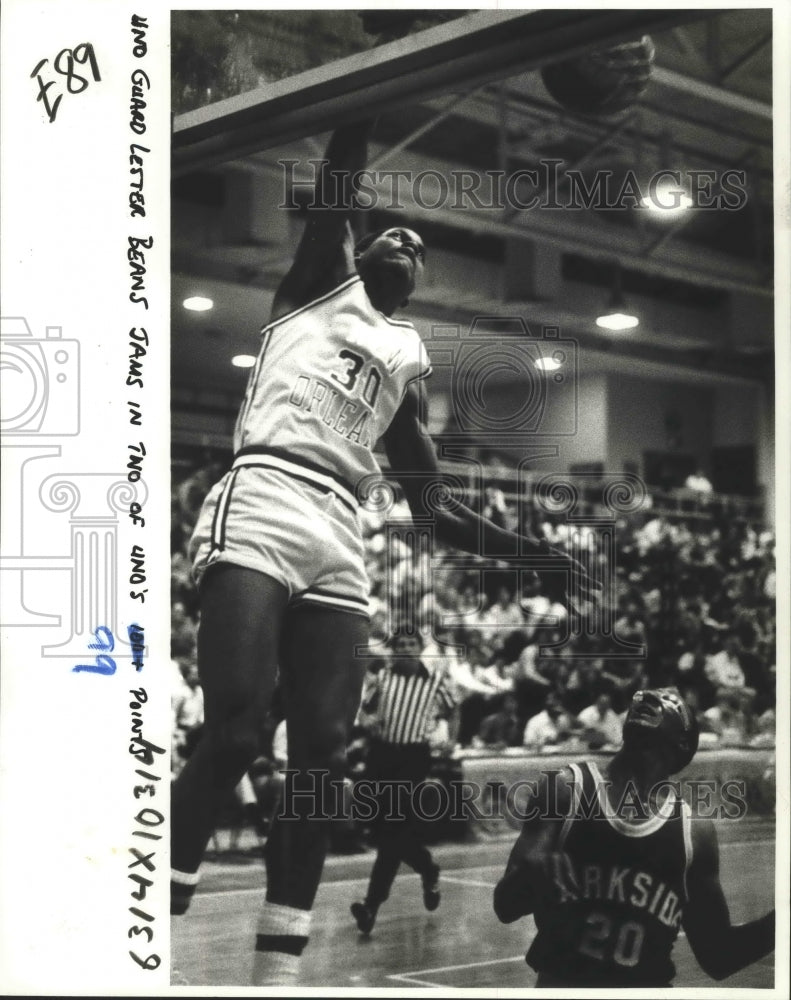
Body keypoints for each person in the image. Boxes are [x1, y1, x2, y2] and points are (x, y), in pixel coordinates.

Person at [170, 118, 597, 986]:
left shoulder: (404, 358)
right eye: (391, 230)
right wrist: (371, 91)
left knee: (322, 752)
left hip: (339, 528)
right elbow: (341, 172)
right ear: (358, 247)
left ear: (418, 284)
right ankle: (153, 897)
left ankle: (277, 967)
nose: (408, 238)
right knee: (239, 723)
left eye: (422, 244)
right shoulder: (318, 282)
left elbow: (431, 506)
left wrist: (533, 556)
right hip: (264, 493)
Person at [494, 687, 775, 987]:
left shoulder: (693, 832)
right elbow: (505, 907)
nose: (654, 698)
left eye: (671, 701)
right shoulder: (565, 790)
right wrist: (530, 875)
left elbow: (719, 957)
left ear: (683, 743)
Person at [350, 631, 457, 934]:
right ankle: (427, 868)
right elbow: (365, 710)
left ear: (421, 649)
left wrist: (451, 740)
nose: (406, 650)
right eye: (401, 645)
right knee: (386, 833)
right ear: (394, 651)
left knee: (391, 835)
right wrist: (367, 721)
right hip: (382, 756)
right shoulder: (383, 678)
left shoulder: (435, 680)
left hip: (412, 758)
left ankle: (370, 906)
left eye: (411, 645)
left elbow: (454, 708)